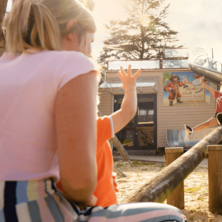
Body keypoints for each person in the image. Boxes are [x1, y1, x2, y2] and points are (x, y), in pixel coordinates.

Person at [0, 0, 185, 221]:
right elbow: (78, 184)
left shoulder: (5, 65)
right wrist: (87, 197)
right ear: (71, 29)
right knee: (171, 216)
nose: (89, 51)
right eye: (90, 41)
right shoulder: (72, 64)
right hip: (31, 209)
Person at [56, 65, 140, 207]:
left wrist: (108, 175)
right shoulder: (92, 127)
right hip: (101, 208)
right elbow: (128, 111)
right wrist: (130, 87)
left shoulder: (56, 132)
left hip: (69, 208)